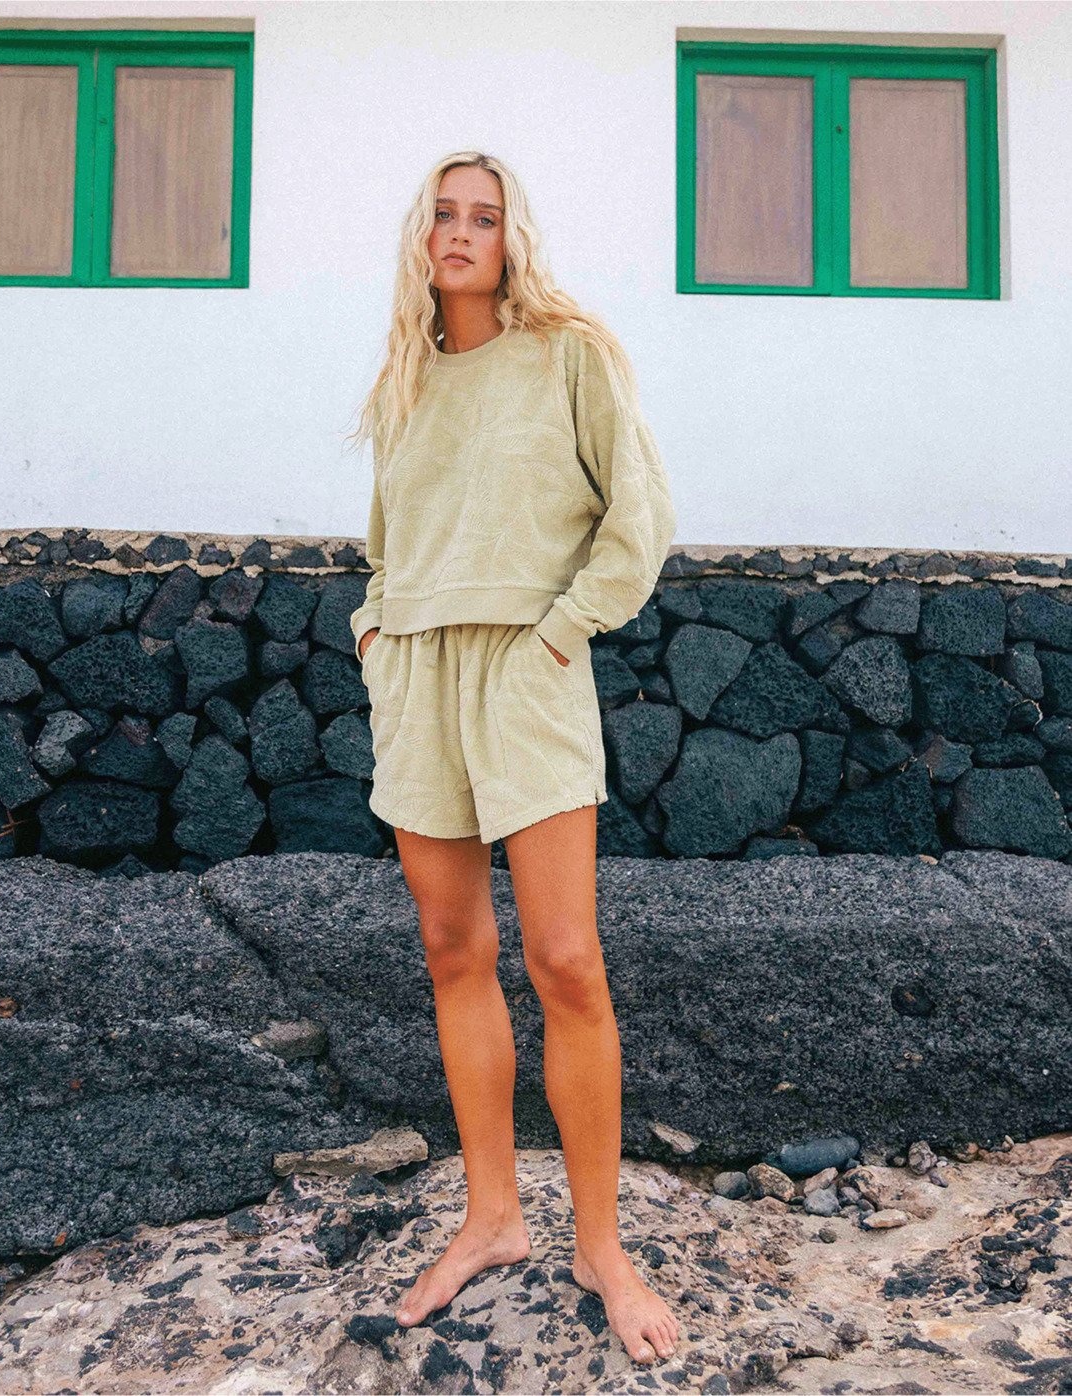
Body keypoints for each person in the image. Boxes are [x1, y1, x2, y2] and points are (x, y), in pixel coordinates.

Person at [344, 151, 679, 1365]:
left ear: (512, 238)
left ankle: (600, 1244)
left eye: (483, 217)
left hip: (528, 668)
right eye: (442, 213)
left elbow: (639, 517)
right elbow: (386, 543)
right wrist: (376, 631)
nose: (460, 232)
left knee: (565, 958)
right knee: (453, 948)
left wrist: (561, 630)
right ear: (420, 234)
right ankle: (491, 1217)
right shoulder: (406, 376)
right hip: (418, 672)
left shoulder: (569, 355)